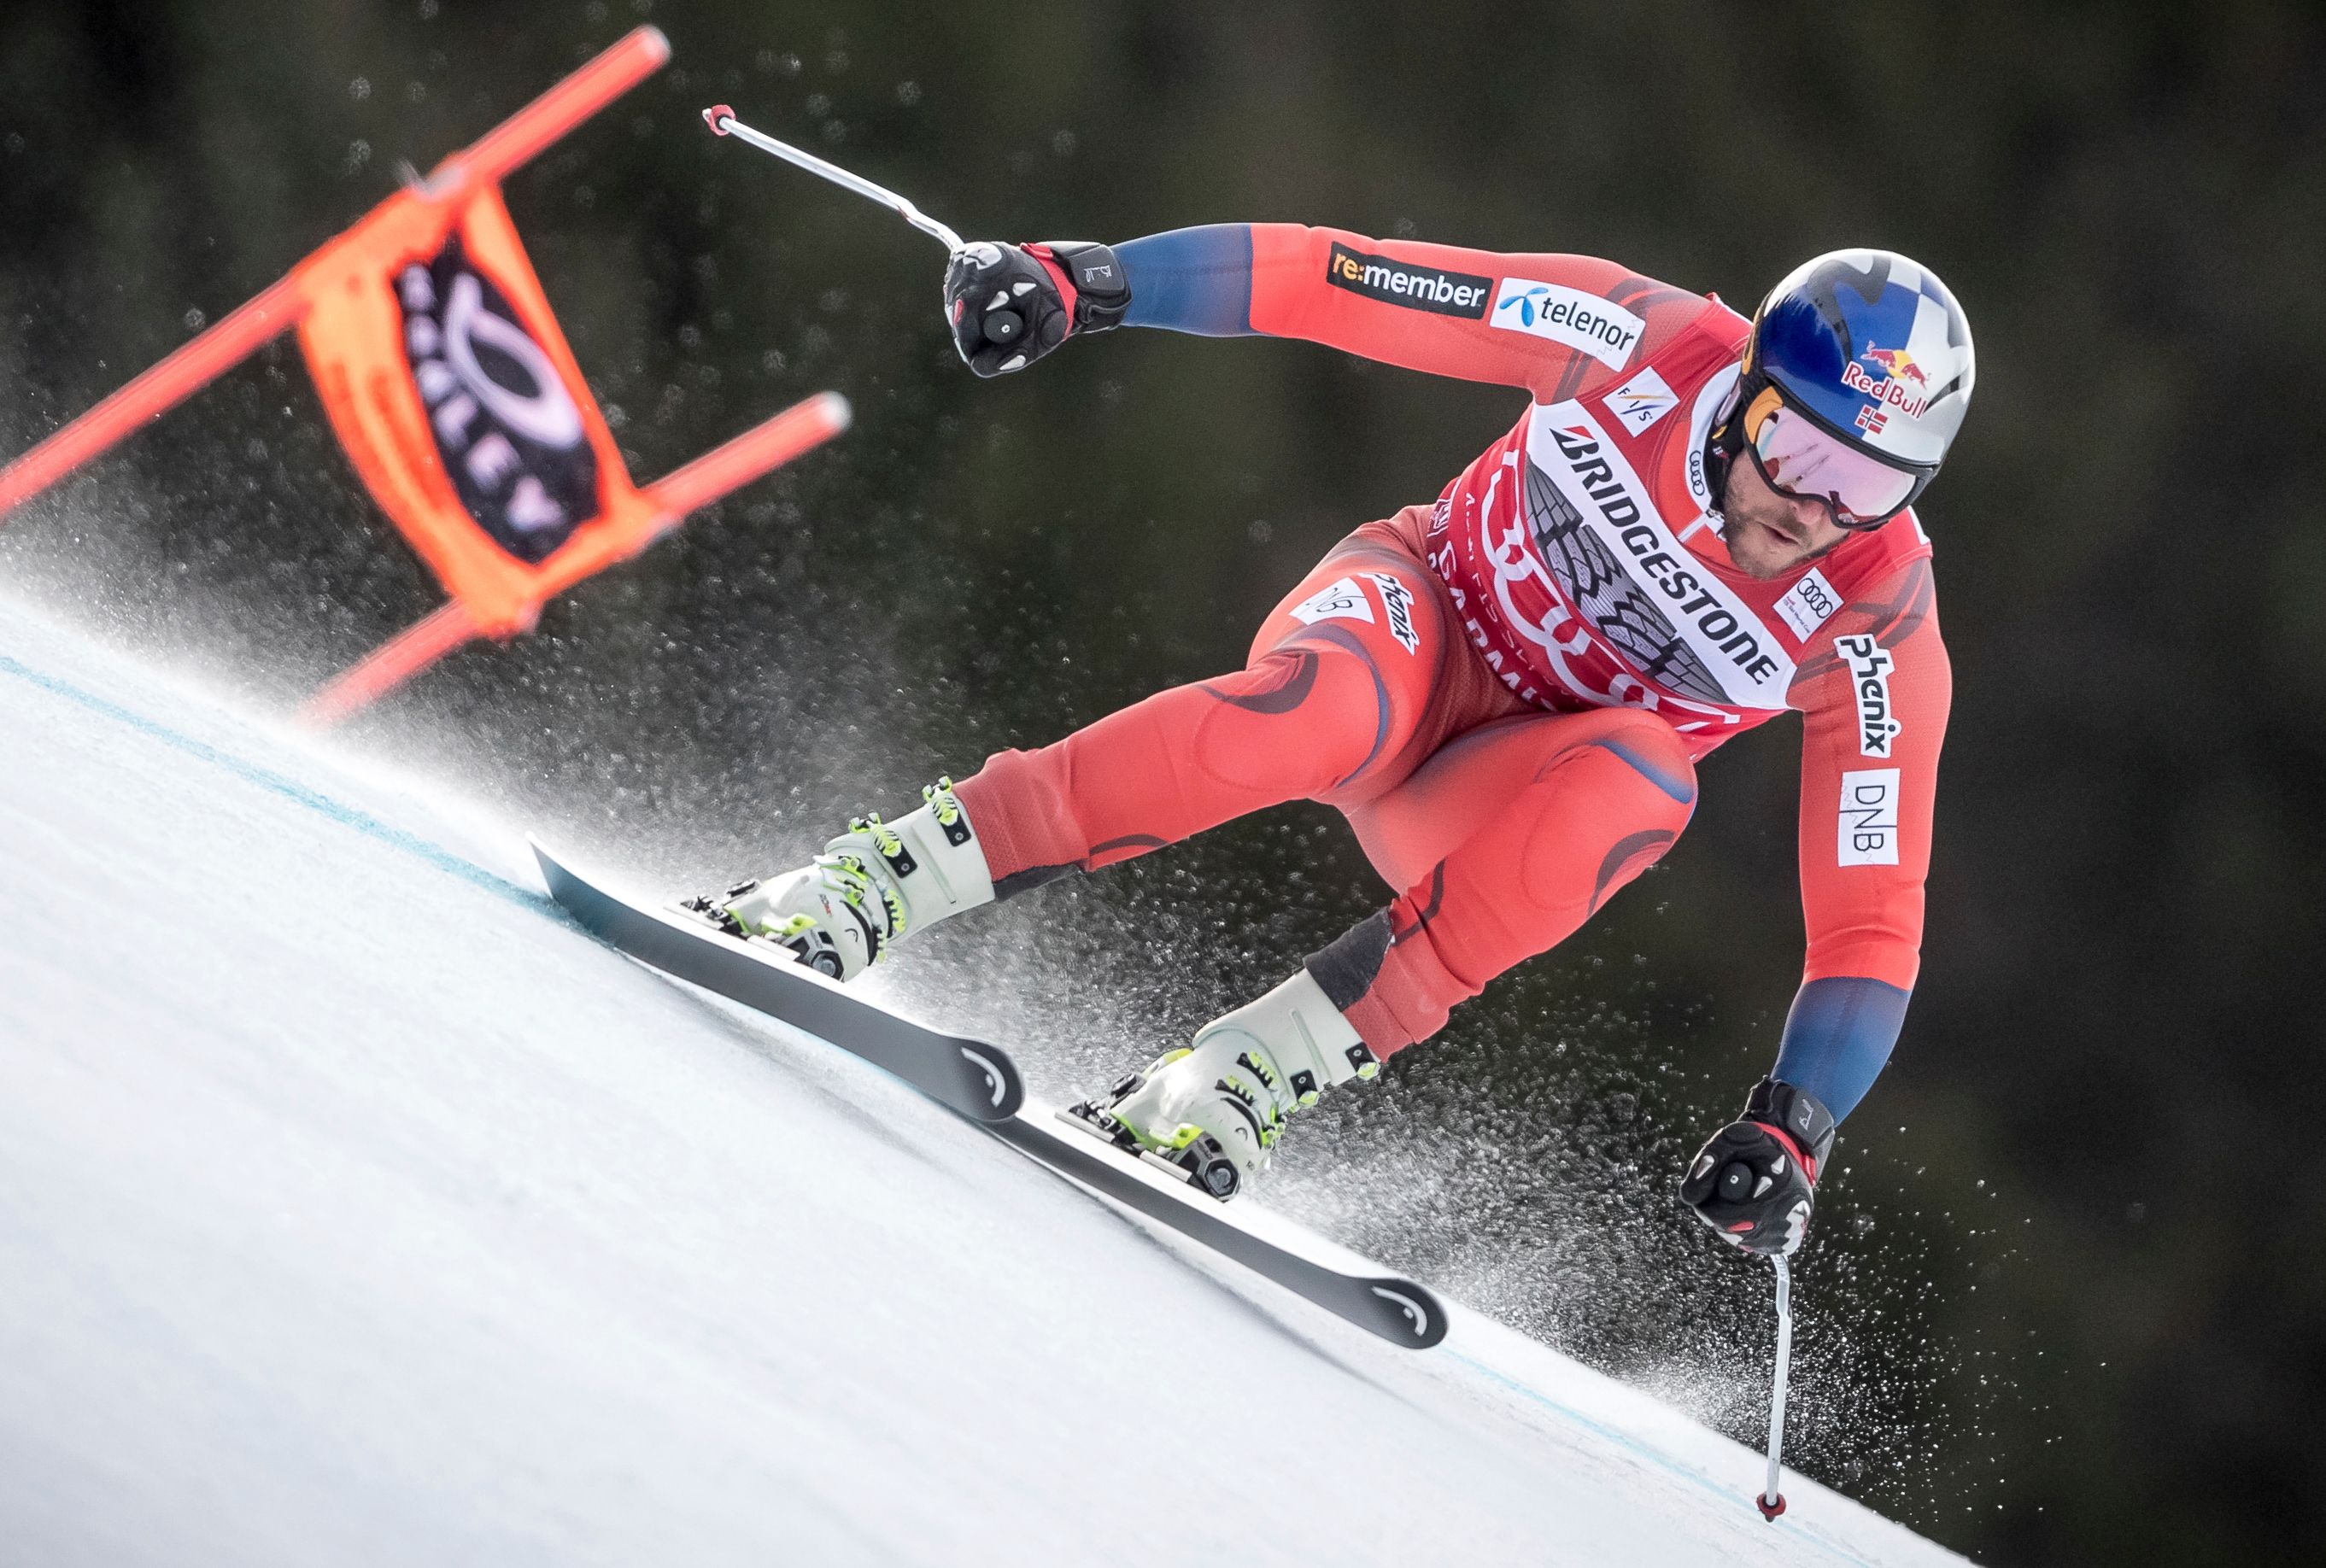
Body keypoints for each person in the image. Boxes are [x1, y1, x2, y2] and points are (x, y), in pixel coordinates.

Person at [688, 225, 1974, 1257]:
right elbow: (1339, 278)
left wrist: (1797, 1127)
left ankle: (1245, 1071)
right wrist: (1090, 282)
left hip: (1490, 793)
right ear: (1744, 387)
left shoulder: (1878, 617)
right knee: (1322, 712)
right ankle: (871, 882)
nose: (1814, 507)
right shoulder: (1636, 340)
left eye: (1868, 485)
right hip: (1415, 627)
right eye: (1794, 447)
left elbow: (1872, 920)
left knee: (1650, 782)